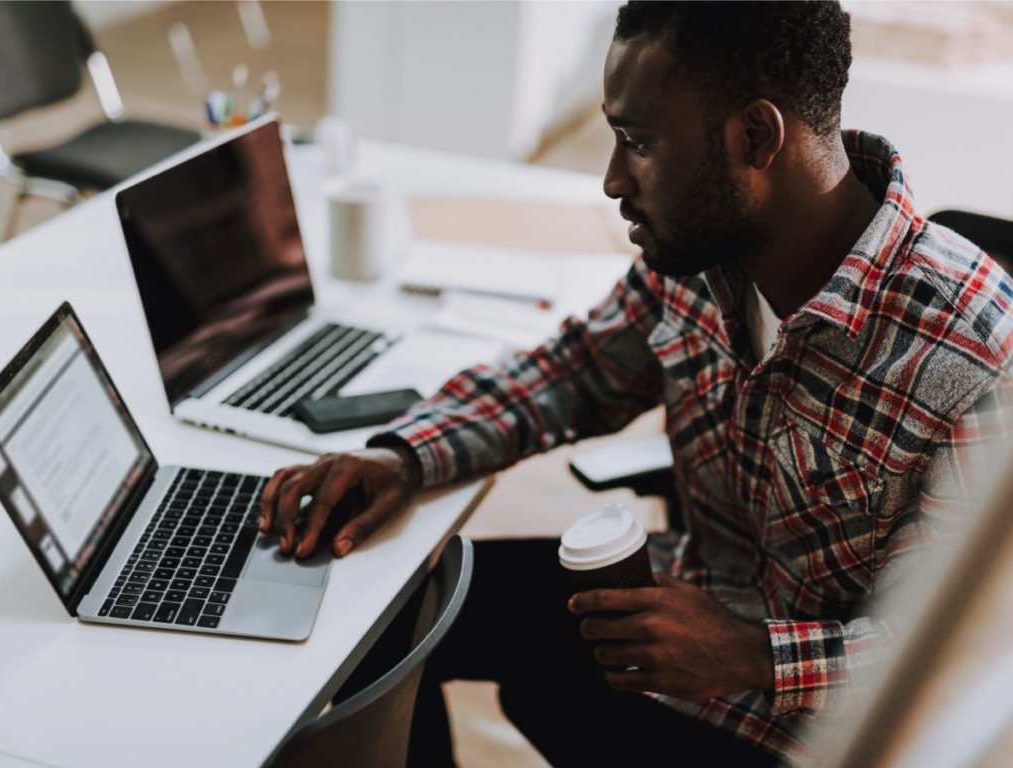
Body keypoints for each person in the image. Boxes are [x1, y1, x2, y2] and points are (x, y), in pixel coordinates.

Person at [260, 2, 1013, 765]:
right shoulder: (701, 254)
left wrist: (756, 655)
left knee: (522, 670)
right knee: (401, 613)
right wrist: (405, 455)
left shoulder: (977, 357)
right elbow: (575, 370)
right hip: (695, 600)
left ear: (757, 137)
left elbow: (974, 655)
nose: (612, 179)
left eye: (639, 143)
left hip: (825, 733)